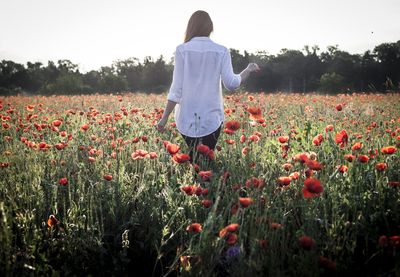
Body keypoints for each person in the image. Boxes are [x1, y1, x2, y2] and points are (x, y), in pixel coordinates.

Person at [156, 10, 259, 162]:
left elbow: (176, 89)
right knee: (207, 163)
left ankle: (196, 183)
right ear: (210, 28)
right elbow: (231, 84)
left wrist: (164, 119)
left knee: (195, 161)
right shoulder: (221, 51)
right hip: (212, 118)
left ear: (190, 27)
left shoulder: (182, 50)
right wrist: (248, 70)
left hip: (186, 119)